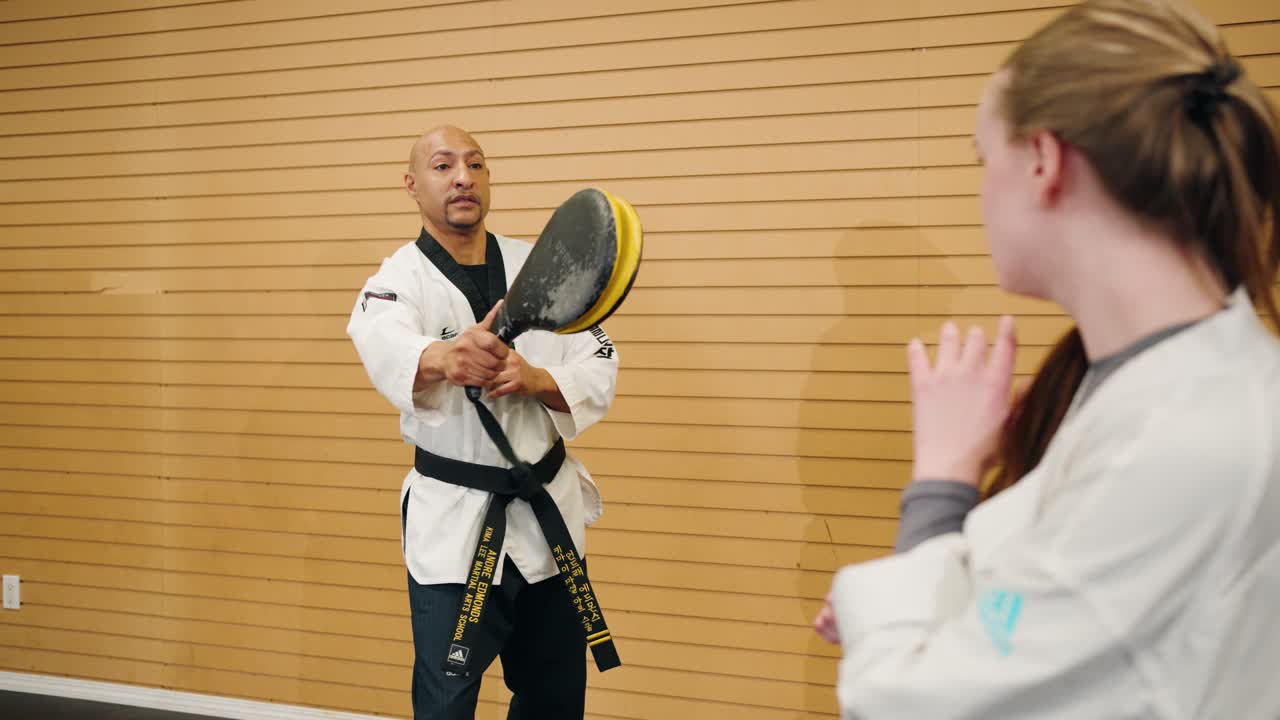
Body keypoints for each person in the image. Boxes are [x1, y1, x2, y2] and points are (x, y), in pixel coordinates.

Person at [813, 0, 1280, 717]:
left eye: (982, 157)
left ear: (1043, 159)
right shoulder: (1149, 388)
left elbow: (912, 706)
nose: (979, 190)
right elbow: (1030, 614)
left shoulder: (1183, 444)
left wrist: (941, 477)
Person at [347, 125, 620, 720]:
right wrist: (448, 357)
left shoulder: (542, 266)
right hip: (455, 529)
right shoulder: (394, 284)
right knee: (445, 705)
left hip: (548, 518)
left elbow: (599, 362)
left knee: (553, 700)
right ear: (413, 185)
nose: (463, 177)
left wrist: (535, 378)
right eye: (444, 166)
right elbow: (384, 345)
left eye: (475, 164)